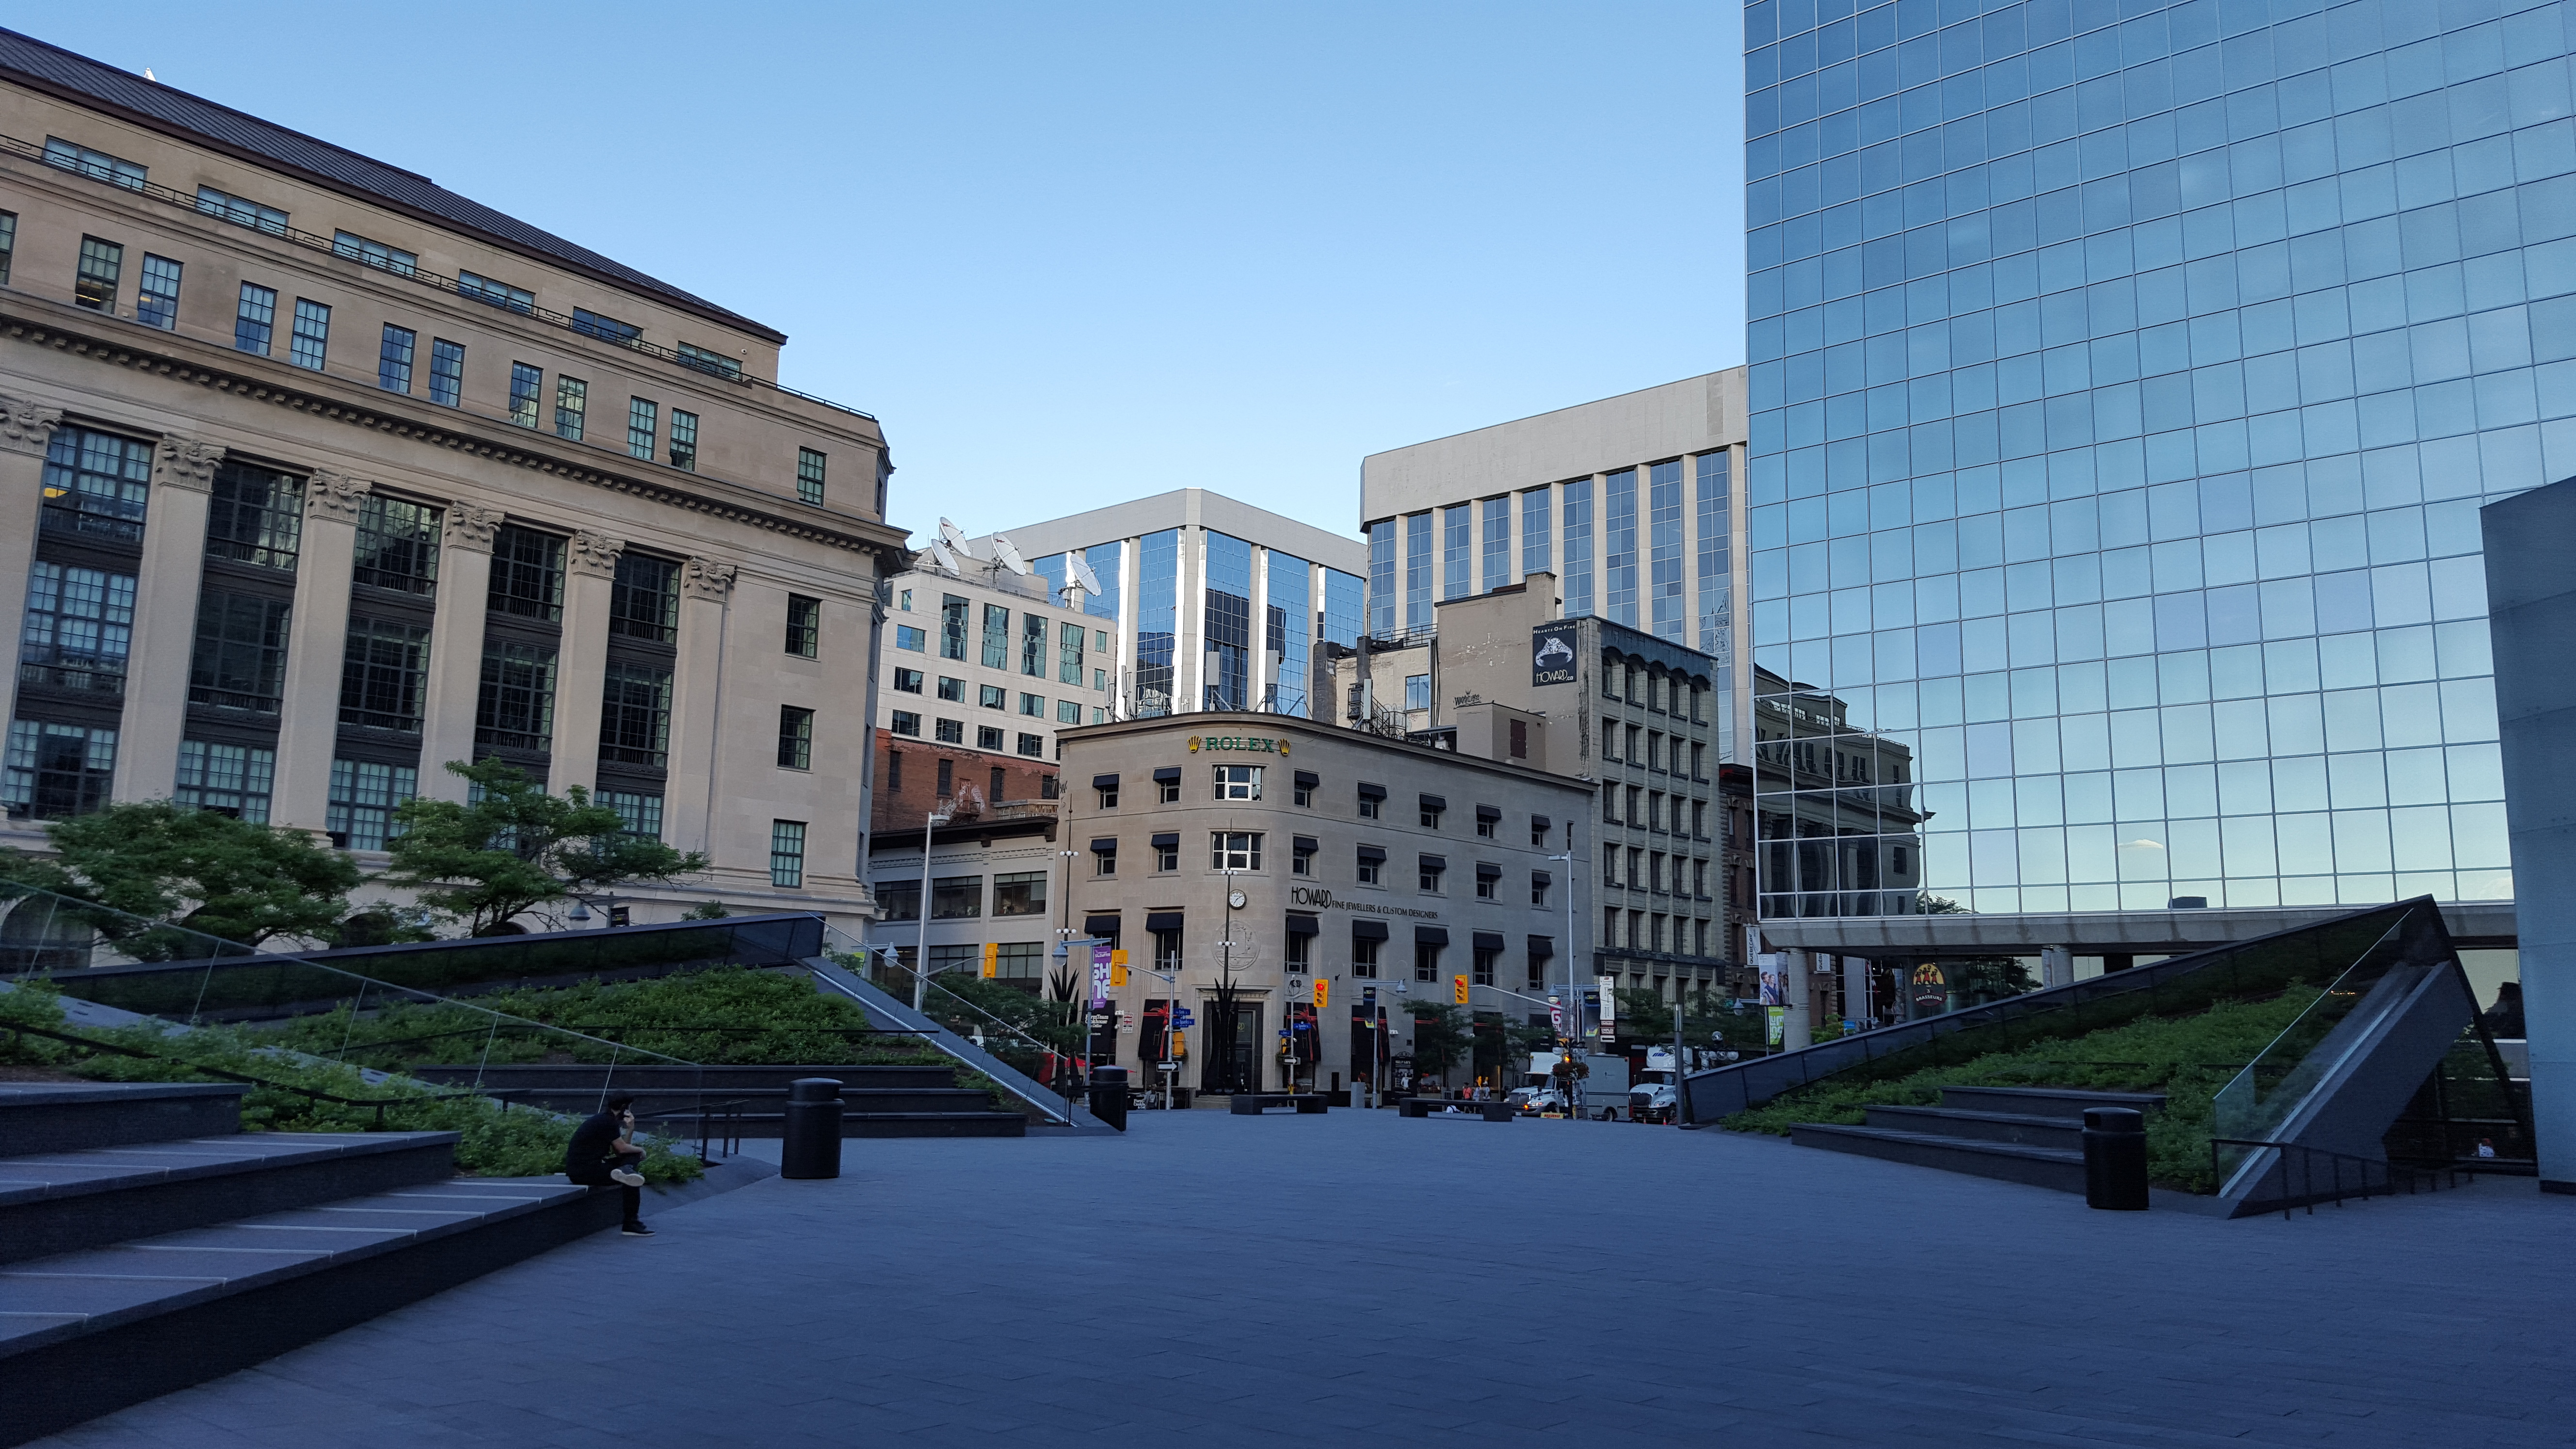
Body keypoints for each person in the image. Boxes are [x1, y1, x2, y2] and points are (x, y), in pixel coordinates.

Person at [564, 1096, 653, 1237]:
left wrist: (630, 1129)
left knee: (630, 1171)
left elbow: (620, 1152)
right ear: (625, 1107)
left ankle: (626, 1171)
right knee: (632, 1179)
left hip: (587, 1169)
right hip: (585, 1172)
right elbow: (623, 1149)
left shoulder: (605, 1119)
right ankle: (631, 1223)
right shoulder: (607, 1122)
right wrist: (641, 1149)